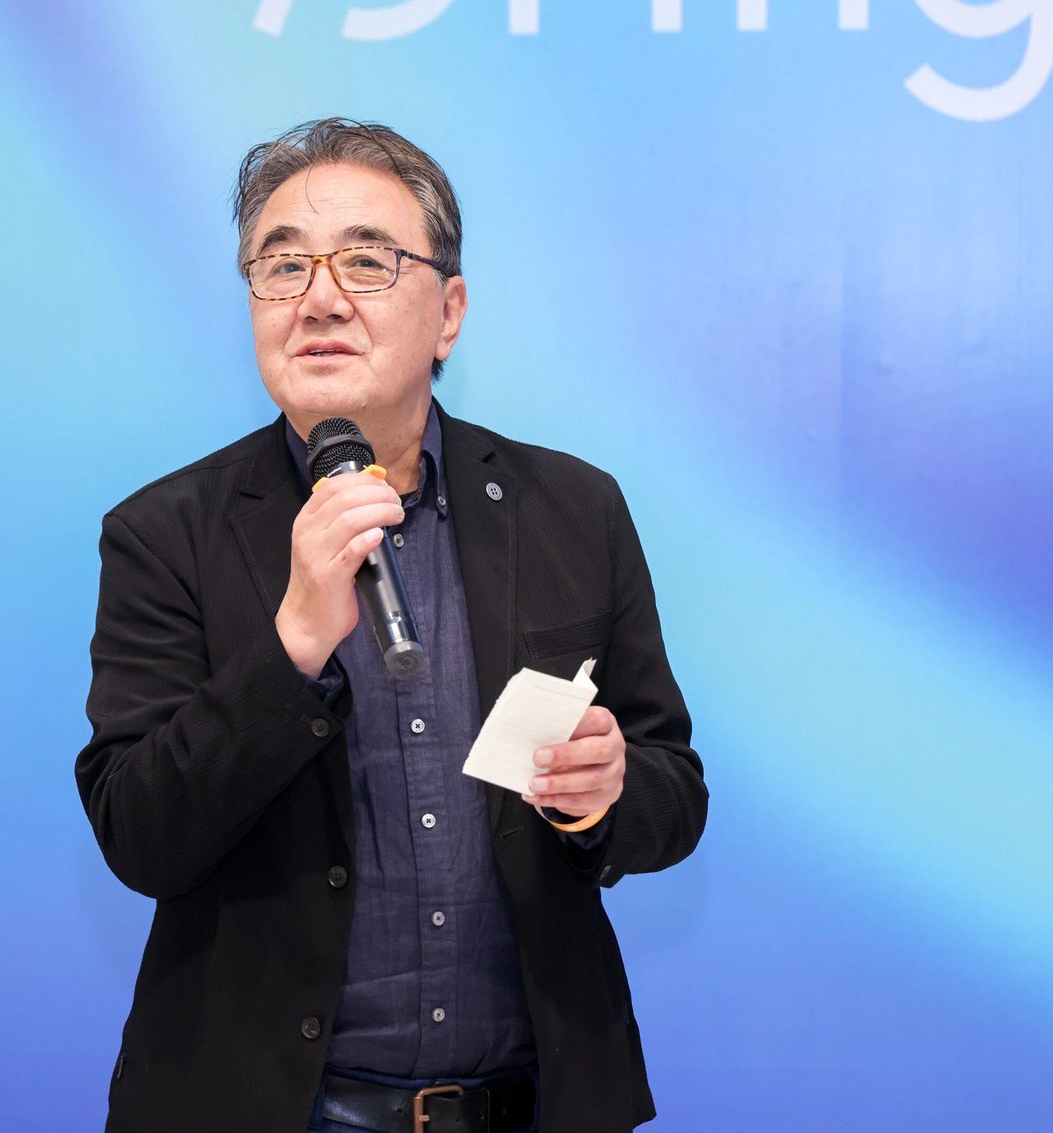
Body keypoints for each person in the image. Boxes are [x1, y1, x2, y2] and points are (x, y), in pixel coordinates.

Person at [75, 118, 707, 1133]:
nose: (318, 297)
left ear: (448, 313)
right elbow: (140, 835)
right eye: (282, 265)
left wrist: (605, 795)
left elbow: (673, 790)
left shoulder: (571, 509)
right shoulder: (165, 533)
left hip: (531, 1107)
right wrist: (291, 642)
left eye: (366, 261)